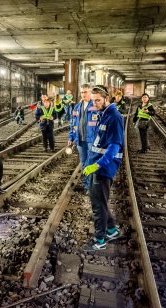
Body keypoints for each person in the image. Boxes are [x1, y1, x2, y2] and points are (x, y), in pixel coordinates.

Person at [82, 85, 124, 251]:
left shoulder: (114, 117)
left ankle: (100, 241)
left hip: (103, 169)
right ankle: (112, 230)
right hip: (97, 166)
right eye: (93, 100)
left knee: (98, 205)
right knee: (99, 201)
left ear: (107, 99)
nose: (95, 104)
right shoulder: (104, 114)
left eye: (98, 100)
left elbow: (114, 147)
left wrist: (97, 165)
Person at [68, 83, 99, 192]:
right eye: (81, 92)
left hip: (92, 140)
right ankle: (87, 186)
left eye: (85, 92)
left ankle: (91, 186)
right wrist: (71, 138)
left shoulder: (95, 106)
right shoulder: (77, 107)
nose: (83, 94)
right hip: (80, 140)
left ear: (90, 92)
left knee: (90, 163)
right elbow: (73, 124)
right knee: (83, 162)